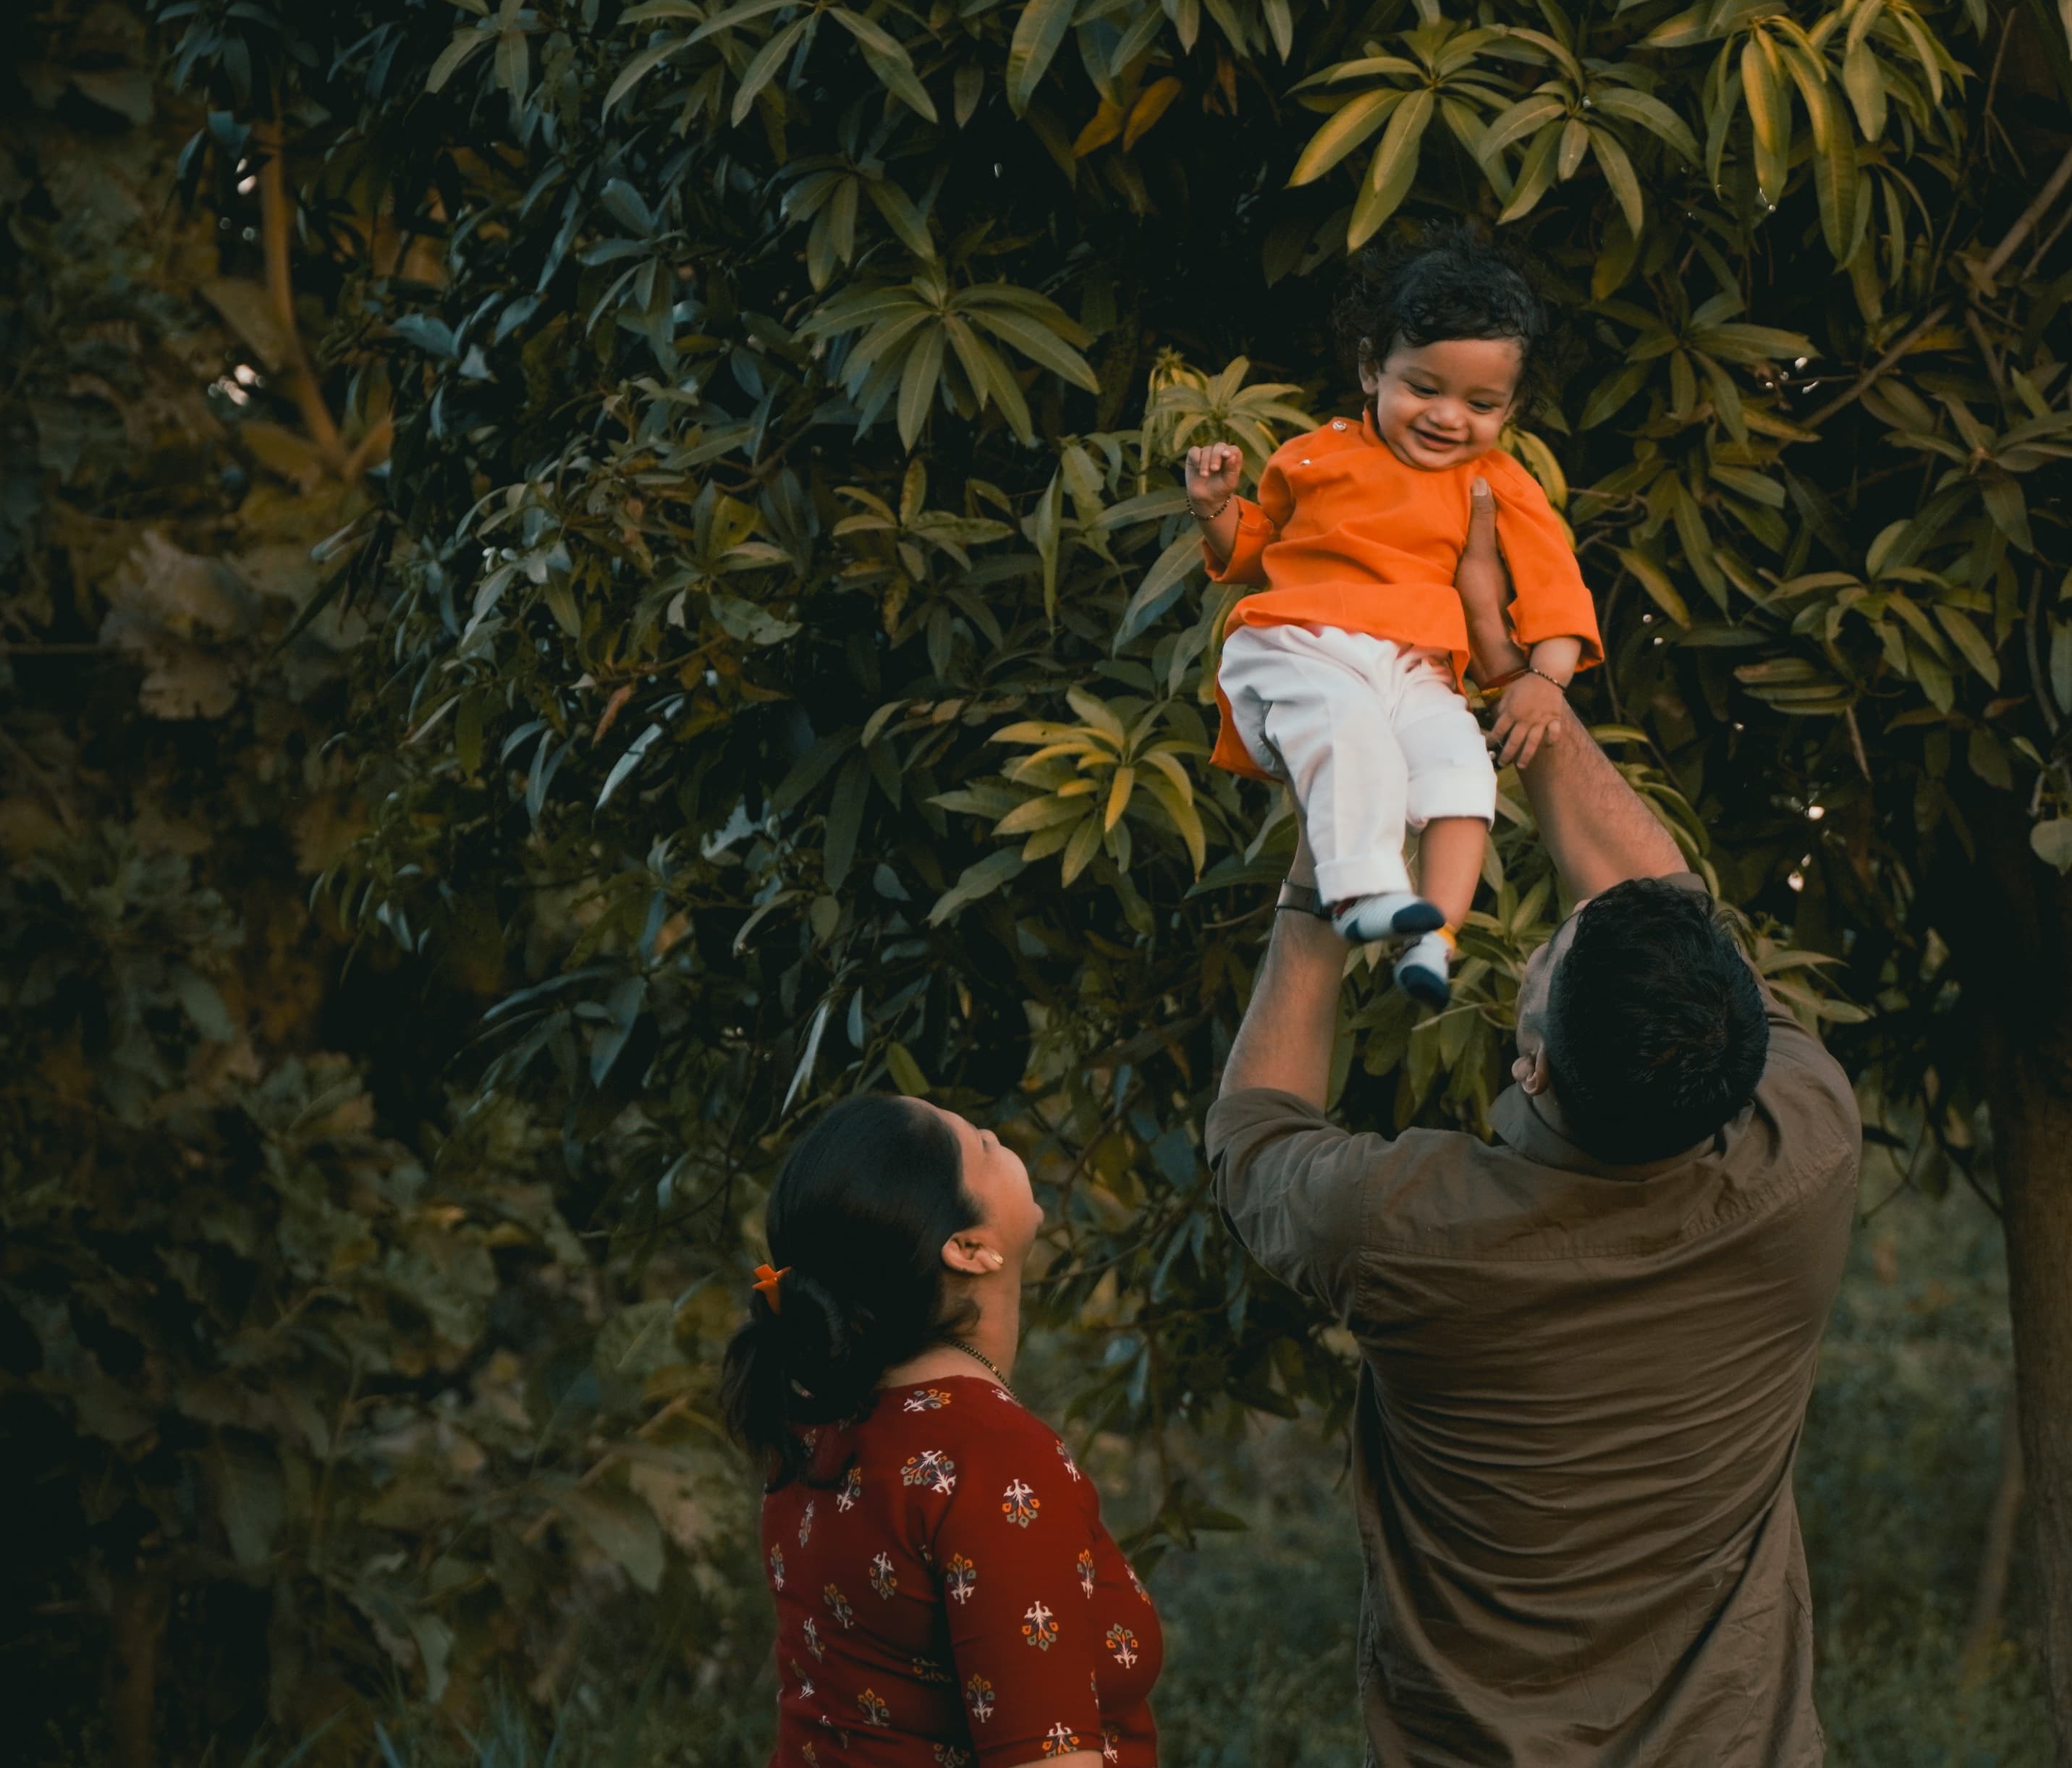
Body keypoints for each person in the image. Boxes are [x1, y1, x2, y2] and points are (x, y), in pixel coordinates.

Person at [1203, 497, 1866, 1766]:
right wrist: (1515, 679)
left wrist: (1330, 856)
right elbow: (1664, 909)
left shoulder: (1412, 1235)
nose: (1556, 925)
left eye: (1543, 960)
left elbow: (1254, 1137)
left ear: (1532, 1069)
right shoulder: (1806, 1145)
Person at [1180, 231, 1602, 1008]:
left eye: (1481, 404)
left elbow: (1556, 588)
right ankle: (1362, 893)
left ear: (1513, 408)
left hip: (1414, 667)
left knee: (1461, 770)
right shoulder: (1314, 456)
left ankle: (1432, 935)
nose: (1448, 417)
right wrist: (1214, 511)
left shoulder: (1497, 482)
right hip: (1296, 646)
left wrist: (1547, 678)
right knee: (1351, 731)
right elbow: (1258, 550)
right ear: (1374, 367)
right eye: (1424, 387)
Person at [723, 1094, 1162, 1767]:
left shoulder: (819, 1430)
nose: (993, 1131)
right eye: (979, 1143)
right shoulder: (995, 1459)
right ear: (969, 1248)